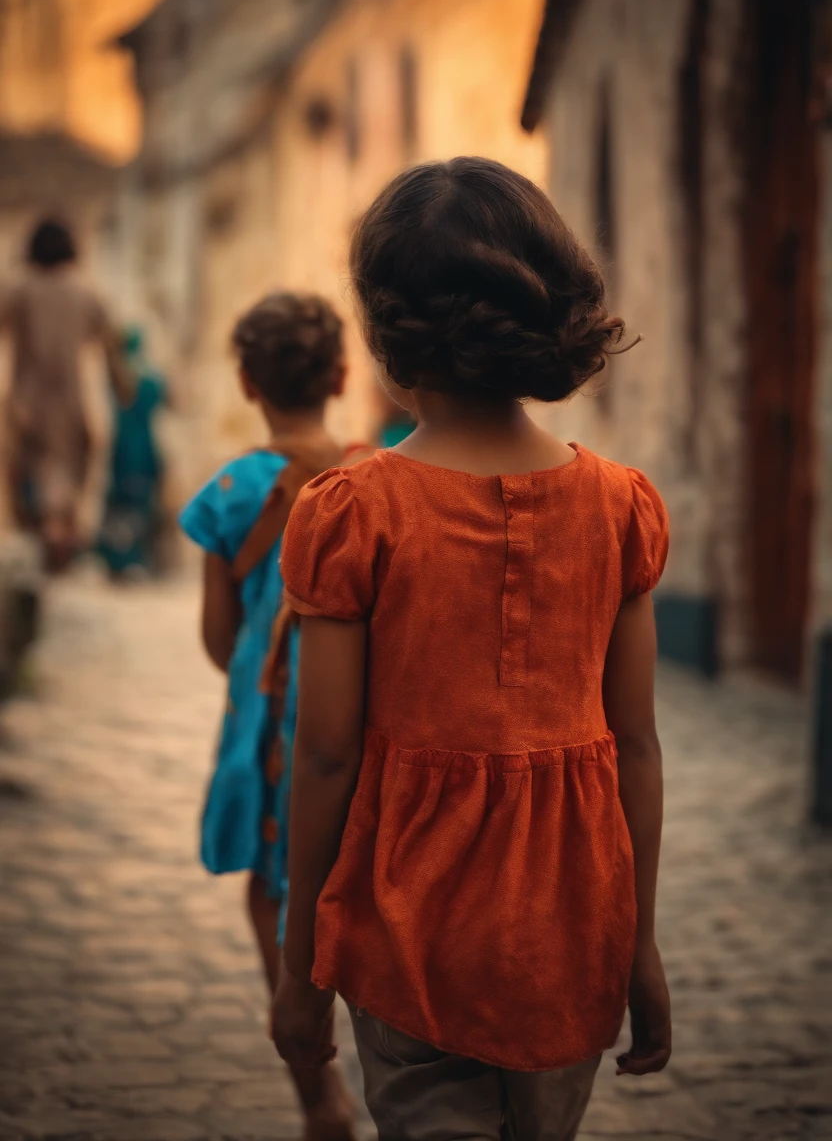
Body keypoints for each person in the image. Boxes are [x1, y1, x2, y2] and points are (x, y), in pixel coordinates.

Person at [272, 158, 672, 1141]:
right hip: (570, 929)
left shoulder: (353, 512)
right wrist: (640, 949)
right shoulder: (620, 507)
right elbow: (637, 745)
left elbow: (323, 754)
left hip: (410, 922)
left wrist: (298, 967)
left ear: (384, 329)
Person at [179, 292, 357, 1141]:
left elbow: (220, 643)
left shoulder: (230, 491)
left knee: (271, 890)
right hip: (353, 725)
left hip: (265, 728)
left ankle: (317, 1090)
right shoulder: (373, 476)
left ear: (247, 381)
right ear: (343, 375)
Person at [0, 218, 131, 572]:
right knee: (65, 474)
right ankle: (57, 538)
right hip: (74, 403)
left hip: (26, 402)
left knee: (33, 474)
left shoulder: (20, 290)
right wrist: (123, 387)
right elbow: (112, 347)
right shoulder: (86, 293)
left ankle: (44, 541)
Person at [97, 326, 168, 578]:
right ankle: (133, 558)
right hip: (144, 447)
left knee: (119, 503)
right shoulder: (151, 378)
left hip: (120, 448)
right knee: (139, 504)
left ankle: (117, 560)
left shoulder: (115, 377)